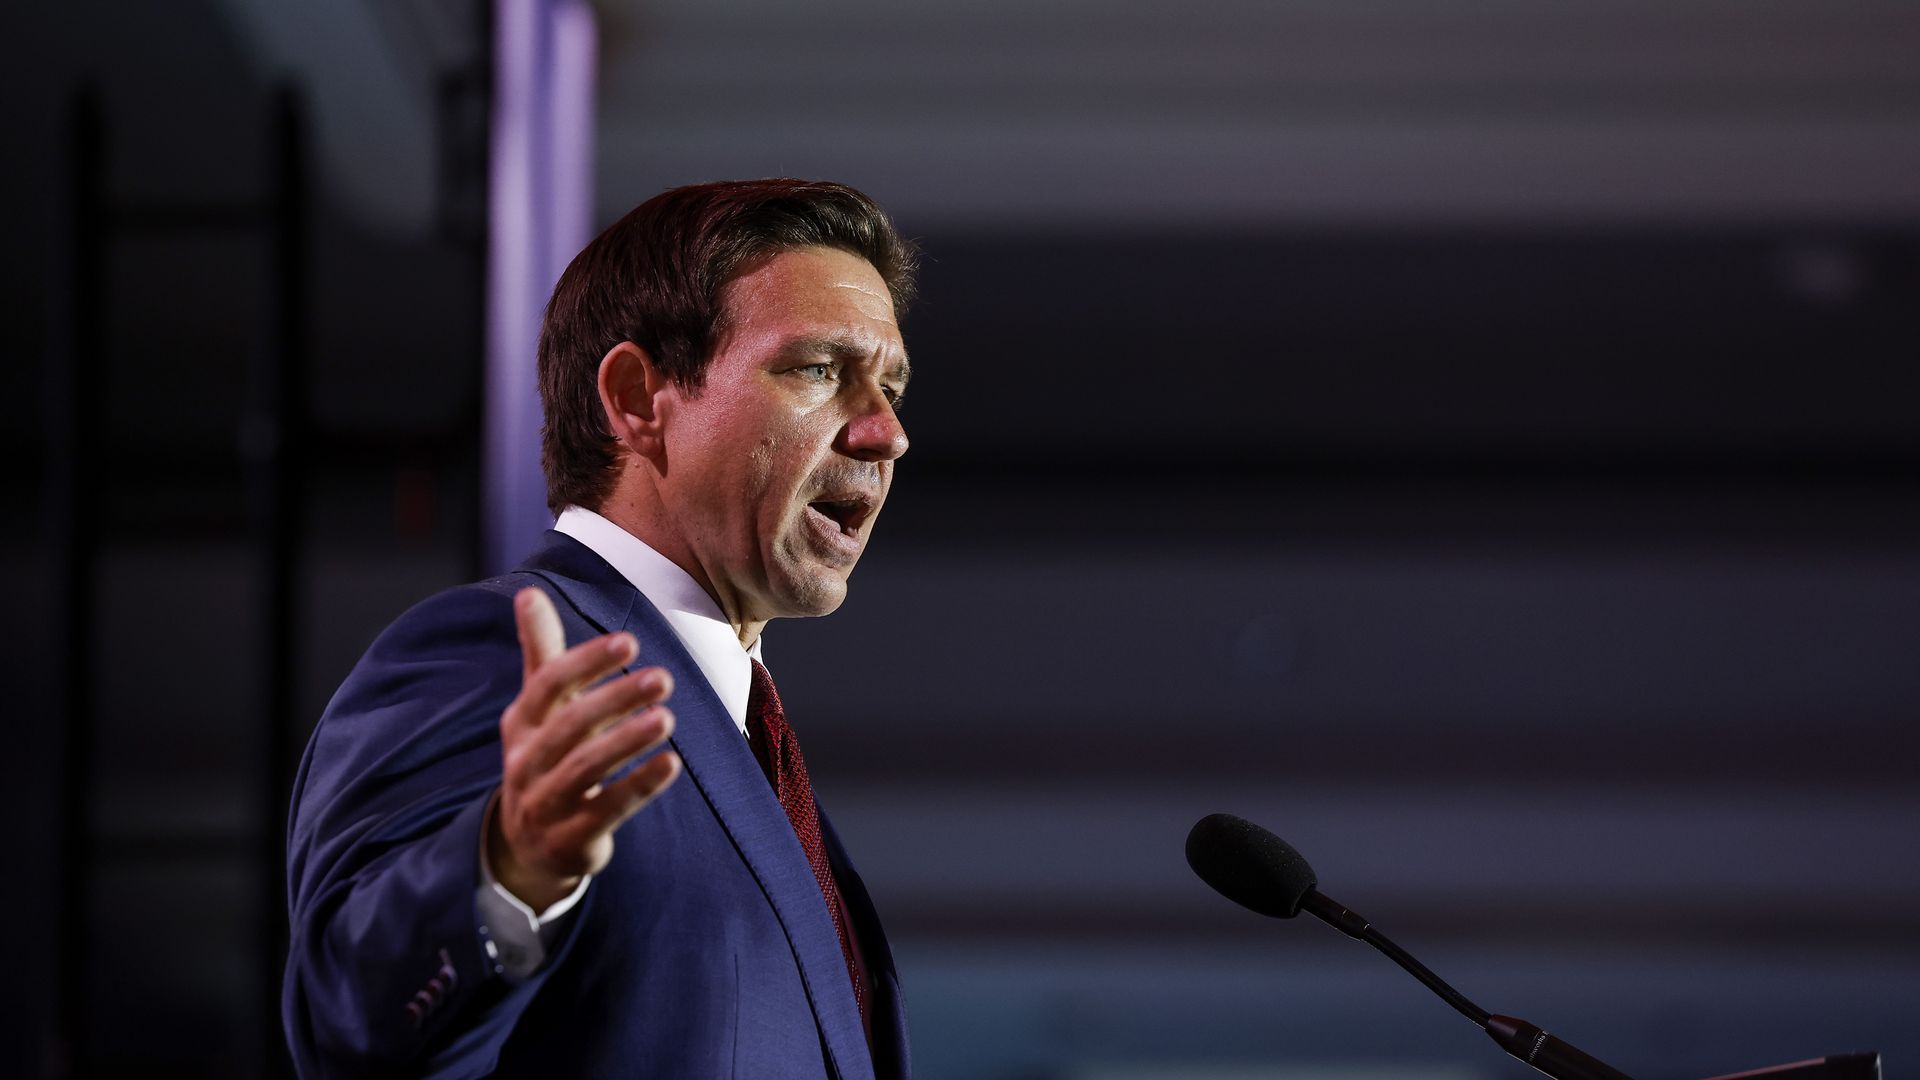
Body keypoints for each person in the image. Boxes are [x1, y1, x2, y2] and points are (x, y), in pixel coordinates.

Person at [283, 179, 917, 1079]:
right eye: (819, 369)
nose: (887, 432)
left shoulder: (750, 745)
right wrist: (507, 872)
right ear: (636, 397)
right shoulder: (500, 655)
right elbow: (347, 1022)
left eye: (890, 386)